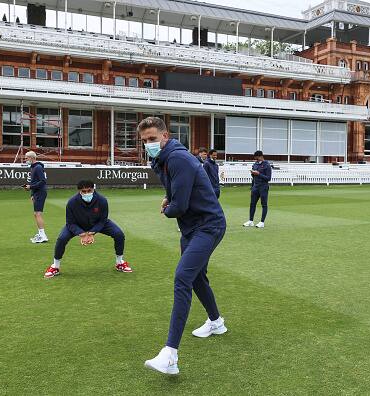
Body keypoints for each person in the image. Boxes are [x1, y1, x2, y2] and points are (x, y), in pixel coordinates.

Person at [138, 117, 227, 375]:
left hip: (208, 226)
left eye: (152, 139)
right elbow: (177, 192)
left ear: (165, 136)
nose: (148, 145)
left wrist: (168, 208)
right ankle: (216, 322)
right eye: (144, 141)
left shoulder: (177, 158)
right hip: (192, 227)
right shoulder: (162, 159)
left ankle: (170, 355)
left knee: (182, 277)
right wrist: (170, 198)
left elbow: (181, 206)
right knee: (197, 278)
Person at [43, 180, 132, 278]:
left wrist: (92, 233)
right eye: (83, 191)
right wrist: (81, 234)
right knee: (62, 238)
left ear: (93, 189)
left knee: (119, 234)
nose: (86, 193)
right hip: (77, 225)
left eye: (89, 191)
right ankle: (55, 266)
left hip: (98, 224)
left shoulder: (102, 200)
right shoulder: (72, 202)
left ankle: (120, 263)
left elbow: (103, 220)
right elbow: (70, 223)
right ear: (79, 191)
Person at [23, 151, 48, 243]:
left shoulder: (38, 168)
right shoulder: (34, 168)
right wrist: (32, 194)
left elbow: (42, 181)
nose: (25, 160)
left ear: (31, 158)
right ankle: (41, 234)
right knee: (36, 214)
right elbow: (34, 182)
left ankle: (42, 235)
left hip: (40, 193)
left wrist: (31, 187)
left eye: (26, 158)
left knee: (38, 214)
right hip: (37, 193)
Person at [243, 150, 272, 228]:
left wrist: (259, 174)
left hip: (263, 187)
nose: (256, 160)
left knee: (264, 204)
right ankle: (250, 221)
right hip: (255, 187)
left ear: (260, 156)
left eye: (257, 158)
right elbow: (254, 177)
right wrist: (253, 174)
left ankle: (262, 222)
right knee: (252, 204)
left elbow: (268, 178)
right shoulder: (255, 164)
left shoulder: (267, 165)